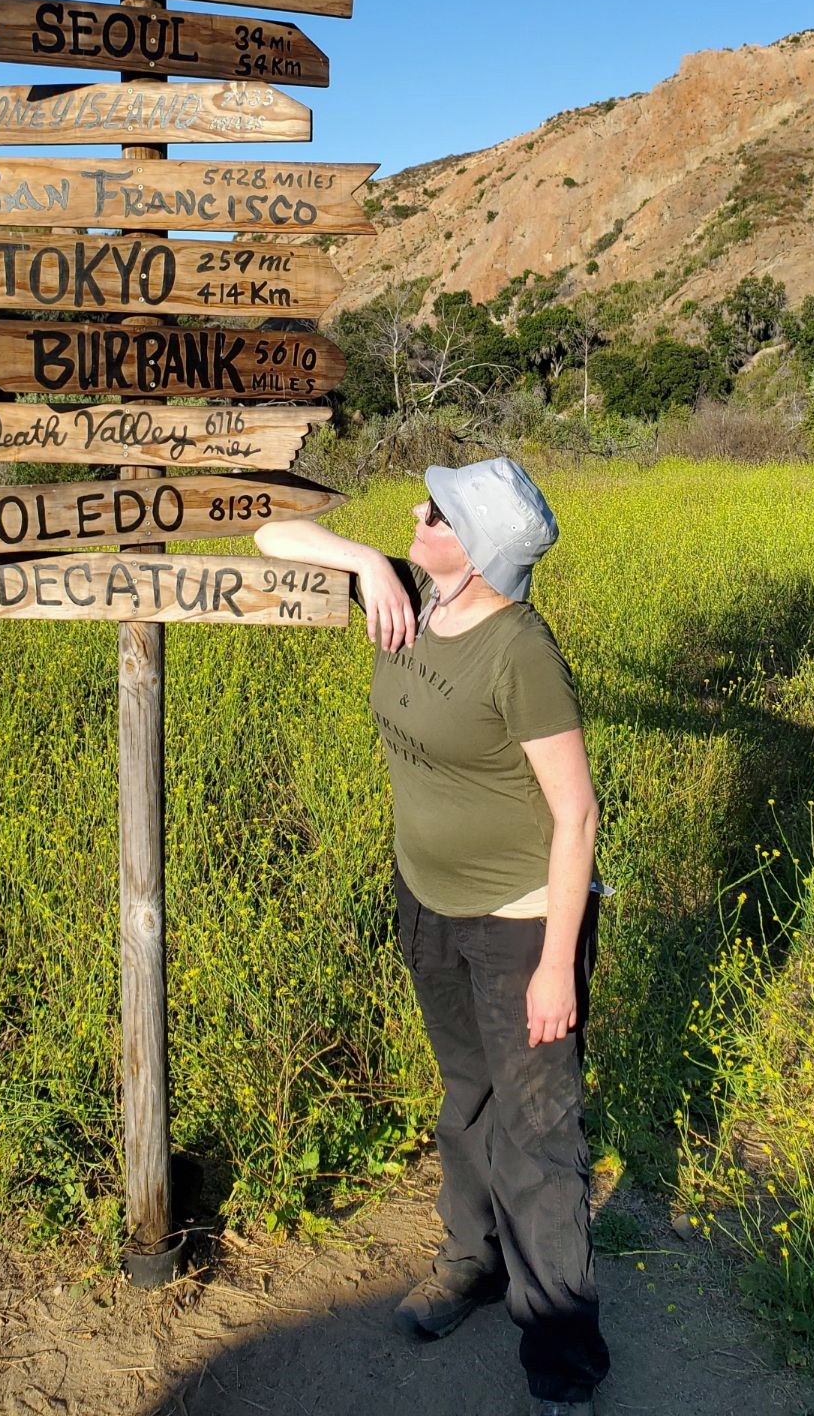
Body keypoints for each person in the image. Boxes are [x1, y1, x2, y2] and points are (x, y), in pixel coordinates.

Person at [254, 457, 609, 1416]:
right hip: (428, 905)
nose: (417, 511)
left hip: (521, 925)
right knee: (466, 1105)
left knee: (538, 1140)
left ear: (480, 550)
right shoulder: (412, 591)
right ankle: (470, 1266)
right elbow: (269, 538)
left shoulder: (519, 652)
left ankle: (563, 1362)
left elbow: (574, 818)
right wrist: (365, 563)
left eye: (439, 512)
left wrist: (552, 968)